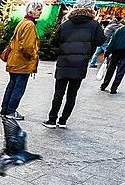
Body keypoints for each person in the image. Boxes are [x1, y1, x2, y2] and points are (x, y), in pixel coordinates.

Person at [43, 0, 104, 128]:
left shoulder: (66, 24)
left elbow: (54, 41)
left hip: (64, 62)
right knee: (72, 94)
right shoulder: (94, 25)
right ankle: (63, 120)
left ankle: (52, 120)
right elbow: (101, 40)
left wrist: (63, 48)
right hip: (80, 64)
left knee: (58, 92)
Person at [0, 0, 43, 120]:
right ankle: (10, 111)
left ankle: (5, 110)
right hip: (22, 63)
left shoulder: (23, 22)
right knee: (18, 88)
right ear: (32, 10)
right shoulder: (29, 24)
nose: (40, 13)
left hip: (14, 61)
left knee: (12, 86)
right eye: (39, 10)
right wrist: (33, 56)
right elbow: (27, 47)